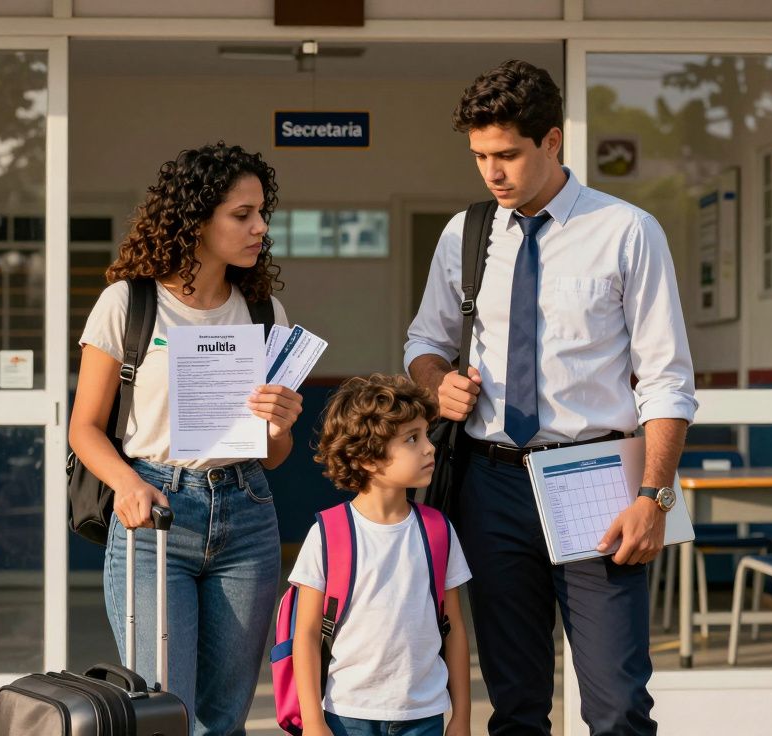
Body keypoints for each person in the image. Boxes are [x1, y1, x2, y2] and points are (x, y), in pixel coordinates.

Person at [405, 60, 698, 735]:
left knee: (619, 707)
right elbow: (424, 342)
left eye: (507, 154)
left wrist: (653, 498)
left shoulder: (627, 231)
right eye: (480, 156)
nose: (492, 172)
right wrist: (436, 382)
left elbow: (666, 379)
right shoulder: (466, 234)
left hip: (595, 480)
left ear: (552, 141)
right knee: (516, 706)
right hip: (491, 483)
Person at [69, 142, 304, 735]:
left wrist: (281, 424)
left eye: (262, 213)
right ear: (196, 220)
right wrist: (126, 484)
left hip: (247, 515)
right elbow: (84, 428)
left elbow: (274, 456)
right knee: (162, 713)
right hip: (155, 513)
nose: (260, 227)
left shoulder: (264, 312)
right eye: (242, 214)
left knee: (225, 719)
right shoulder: (129, 302)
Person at [289, 374, 473, 736]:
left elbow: (454, 631)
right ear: (368, 458)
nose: (429, 448)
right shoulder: (327, 534)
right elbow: (306, 635)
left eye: (426, 435)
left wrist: (462, 717)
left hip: (424, 715)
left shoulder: (438, 530)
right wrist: (312, 721)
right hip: (347, 716)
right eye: (412, 438)